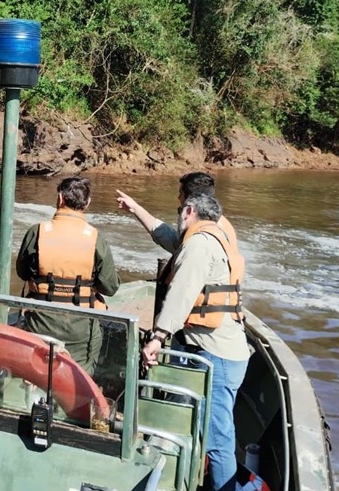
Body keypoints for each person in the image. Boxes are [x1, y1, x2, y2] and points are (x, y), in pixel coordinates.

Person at [139, 194, 249, 491]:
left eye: (179, 210)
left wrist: (158, 336)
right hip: (224, 349)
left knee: (217, 440)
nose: (178, 216)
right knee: (213, 433)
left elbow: (182, 293)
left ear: (189, 211)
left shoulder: (199, 244)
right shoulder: (219, 237)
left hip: (217, 355)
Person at [16, 176, 120, 376]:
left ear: (60, 198)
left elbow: (22, 272)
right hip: (80, 328)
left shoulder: (37, 232)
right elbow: (110, 287)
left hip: (40, 322)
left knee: (35, 375)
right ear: (87, 204)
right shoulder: (96, 239)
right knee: (77, 377)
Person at [115, 171, 237, 255]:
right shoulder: (213, 221)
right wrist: (135, 208)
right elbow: (174, 242)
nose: (178, 198)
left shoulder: (203, 234)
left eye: (180, 194)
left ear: (190, 199)